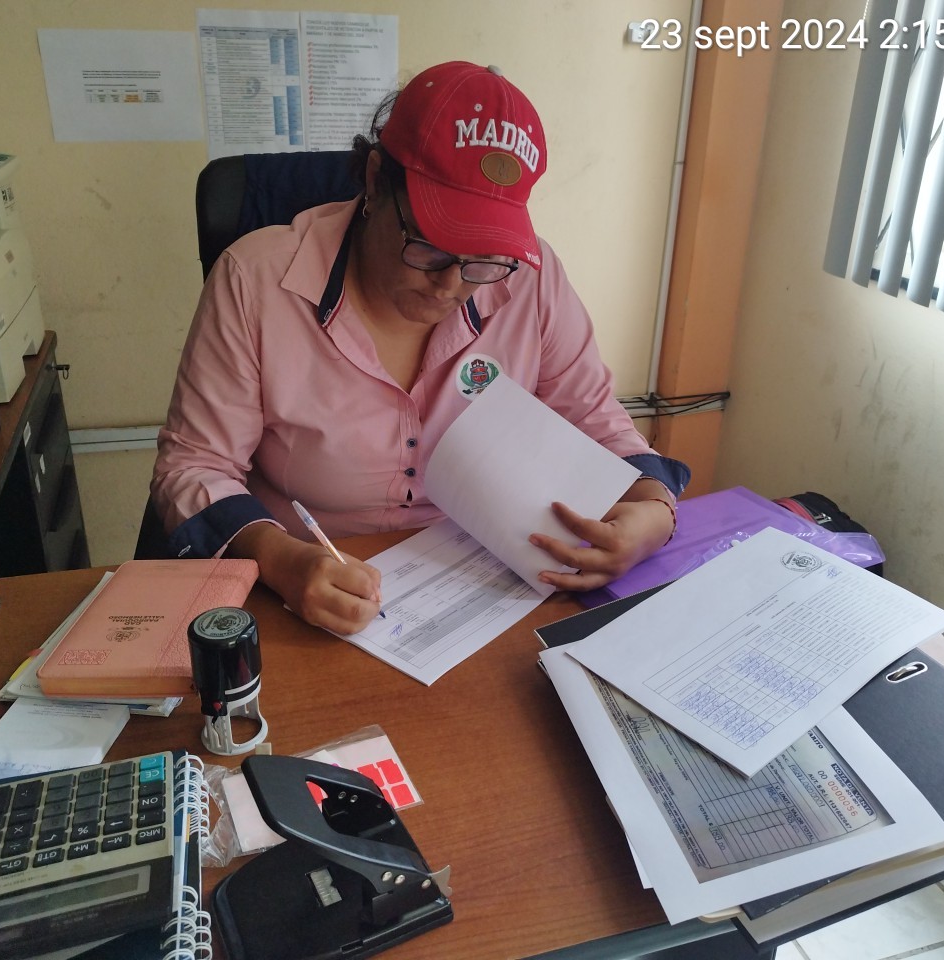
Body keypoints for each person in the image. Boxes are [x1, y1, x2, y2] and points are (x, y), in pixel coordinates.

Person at [152, 61, 689, 635]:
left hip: (488, 586)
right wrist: (279, 558)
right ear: (375, 181)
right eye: (430, 247)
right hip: (305, 593)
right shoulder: (256, 281)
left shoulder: (531, 279)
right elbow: (195, 465)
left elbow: (596, 420)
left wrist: (654, 511)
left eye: (484, 258)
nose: (451, 284)